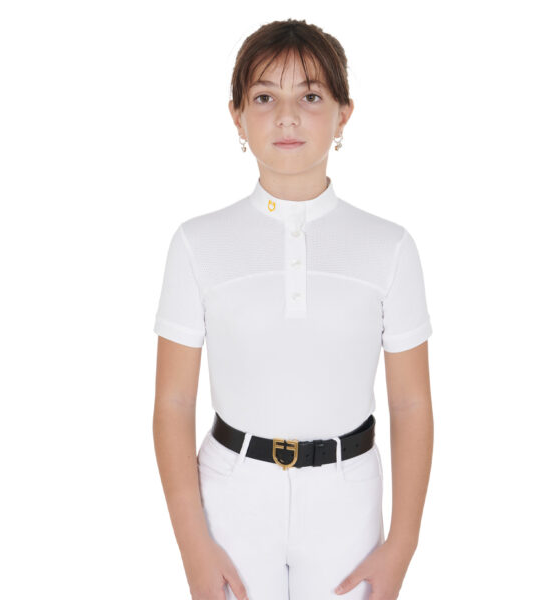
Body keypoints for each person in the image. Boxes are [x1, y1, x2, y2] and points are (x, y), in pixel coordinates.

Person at [153, 18, 433, 600]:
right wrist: (192, 545)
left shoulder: (389, 246)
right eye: (264, 98)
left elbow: (411, 404)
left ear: (343, 115)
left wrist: (402, 544)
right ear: (237, 116)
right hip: (230, 496)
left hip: (347, 499)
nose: (286, 117)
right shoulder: (197, 243)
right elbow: (173, 402)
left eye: (309, 97)